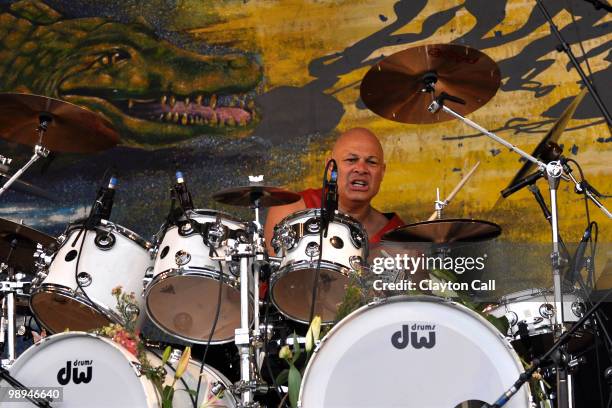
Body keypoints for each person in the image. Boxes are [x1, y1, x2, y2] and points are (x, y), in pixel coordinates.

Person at [264, 127, 404, 250]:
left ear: (382, 172)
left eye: (371, 162)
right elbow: (276, 277)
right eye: (351, 160)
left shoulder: (397, 236)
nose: (361, 169)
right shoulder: (291, 210)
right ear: (330, 168)